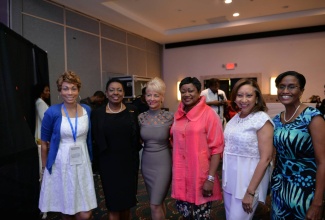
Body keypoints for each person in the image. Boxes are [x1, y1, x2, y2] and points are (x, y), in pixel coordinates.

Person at [39, 71, 97, 220]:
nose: (69, 92)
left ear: (78, 90)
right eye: (65, 88)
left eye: (73, 88)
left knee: (85, 213)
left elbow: (90, 138)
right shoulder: (52, 112)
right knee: (67, 210)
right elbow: (44, 143)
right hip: (61, 163)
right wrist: (44, 168)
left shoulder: (87, 110)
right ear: (59, 91)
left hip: (82, 162)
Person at [271, 71, 325, 220]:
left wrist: (317, 203)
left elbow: (323, 161)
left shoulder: (312, 117)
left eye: (292, 87)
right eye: (281, 87)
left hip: (305, 190)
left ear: (301, 91)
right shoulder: (277, 119)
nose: (285, 91)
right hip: (280, 186)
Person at [170, 77, 224, 219]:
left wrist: (210, 179)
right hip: (181, 174)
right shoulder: (178, 114)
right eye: (183, 92)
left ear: (199, 92)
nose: (186, 94)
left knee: (201, 216)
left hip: (200, 175)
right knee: (185, 215)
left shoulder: (209, 114)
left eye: (190, 91)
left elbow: (217, 149)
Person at [222, 78, 274, 220]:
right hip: (230, 180)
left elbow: (266, 158)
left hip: (248, 181)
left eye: (249, 95)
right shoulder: (235, 118)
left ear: (257, 98)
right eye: (239, 95)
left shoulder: (261, 119)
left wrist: (250, 192)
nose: (243, 100)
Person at [91, 78, 142, 220]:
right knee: (112, 204)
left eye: (119, 90)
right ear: (106, 93)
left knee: (127, 204)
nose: (116, 93)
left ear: (124, 93)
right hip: (108, 164)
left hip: (128, 163)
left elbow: (138, 134)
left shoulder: (132, 111)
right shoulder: (97, 114)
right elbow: (94, 138)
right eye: (112, 90)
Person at [138, 77, 173, 220]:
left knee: (154, 205)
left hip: (163, 163)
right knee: (158, 202)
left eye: (156, 95)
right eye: (149, 95)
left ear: (162, 97)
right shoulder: (141, 117)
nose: (152, 98)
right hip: (146, 163)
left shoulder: (170, 117)